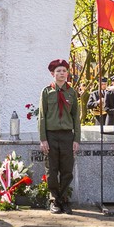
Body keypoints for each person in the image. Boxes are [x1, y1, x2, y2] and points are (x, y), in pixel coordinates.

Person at [38, 59, 81, 215]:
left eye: (64, 71)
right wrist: (43, 139)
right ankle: (54, 200)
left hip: (66, 136)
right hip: (51, 135)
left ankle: (63, 199)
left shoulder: (72, 92)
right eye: (58, 71)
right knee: (52, 169)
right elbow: (42, 117)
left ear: (67, 73)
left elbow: (76, 117)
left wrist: (76, 139)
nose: (61, 73)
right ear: (52, 74)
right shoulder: (46, 92)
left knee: (67, 170)